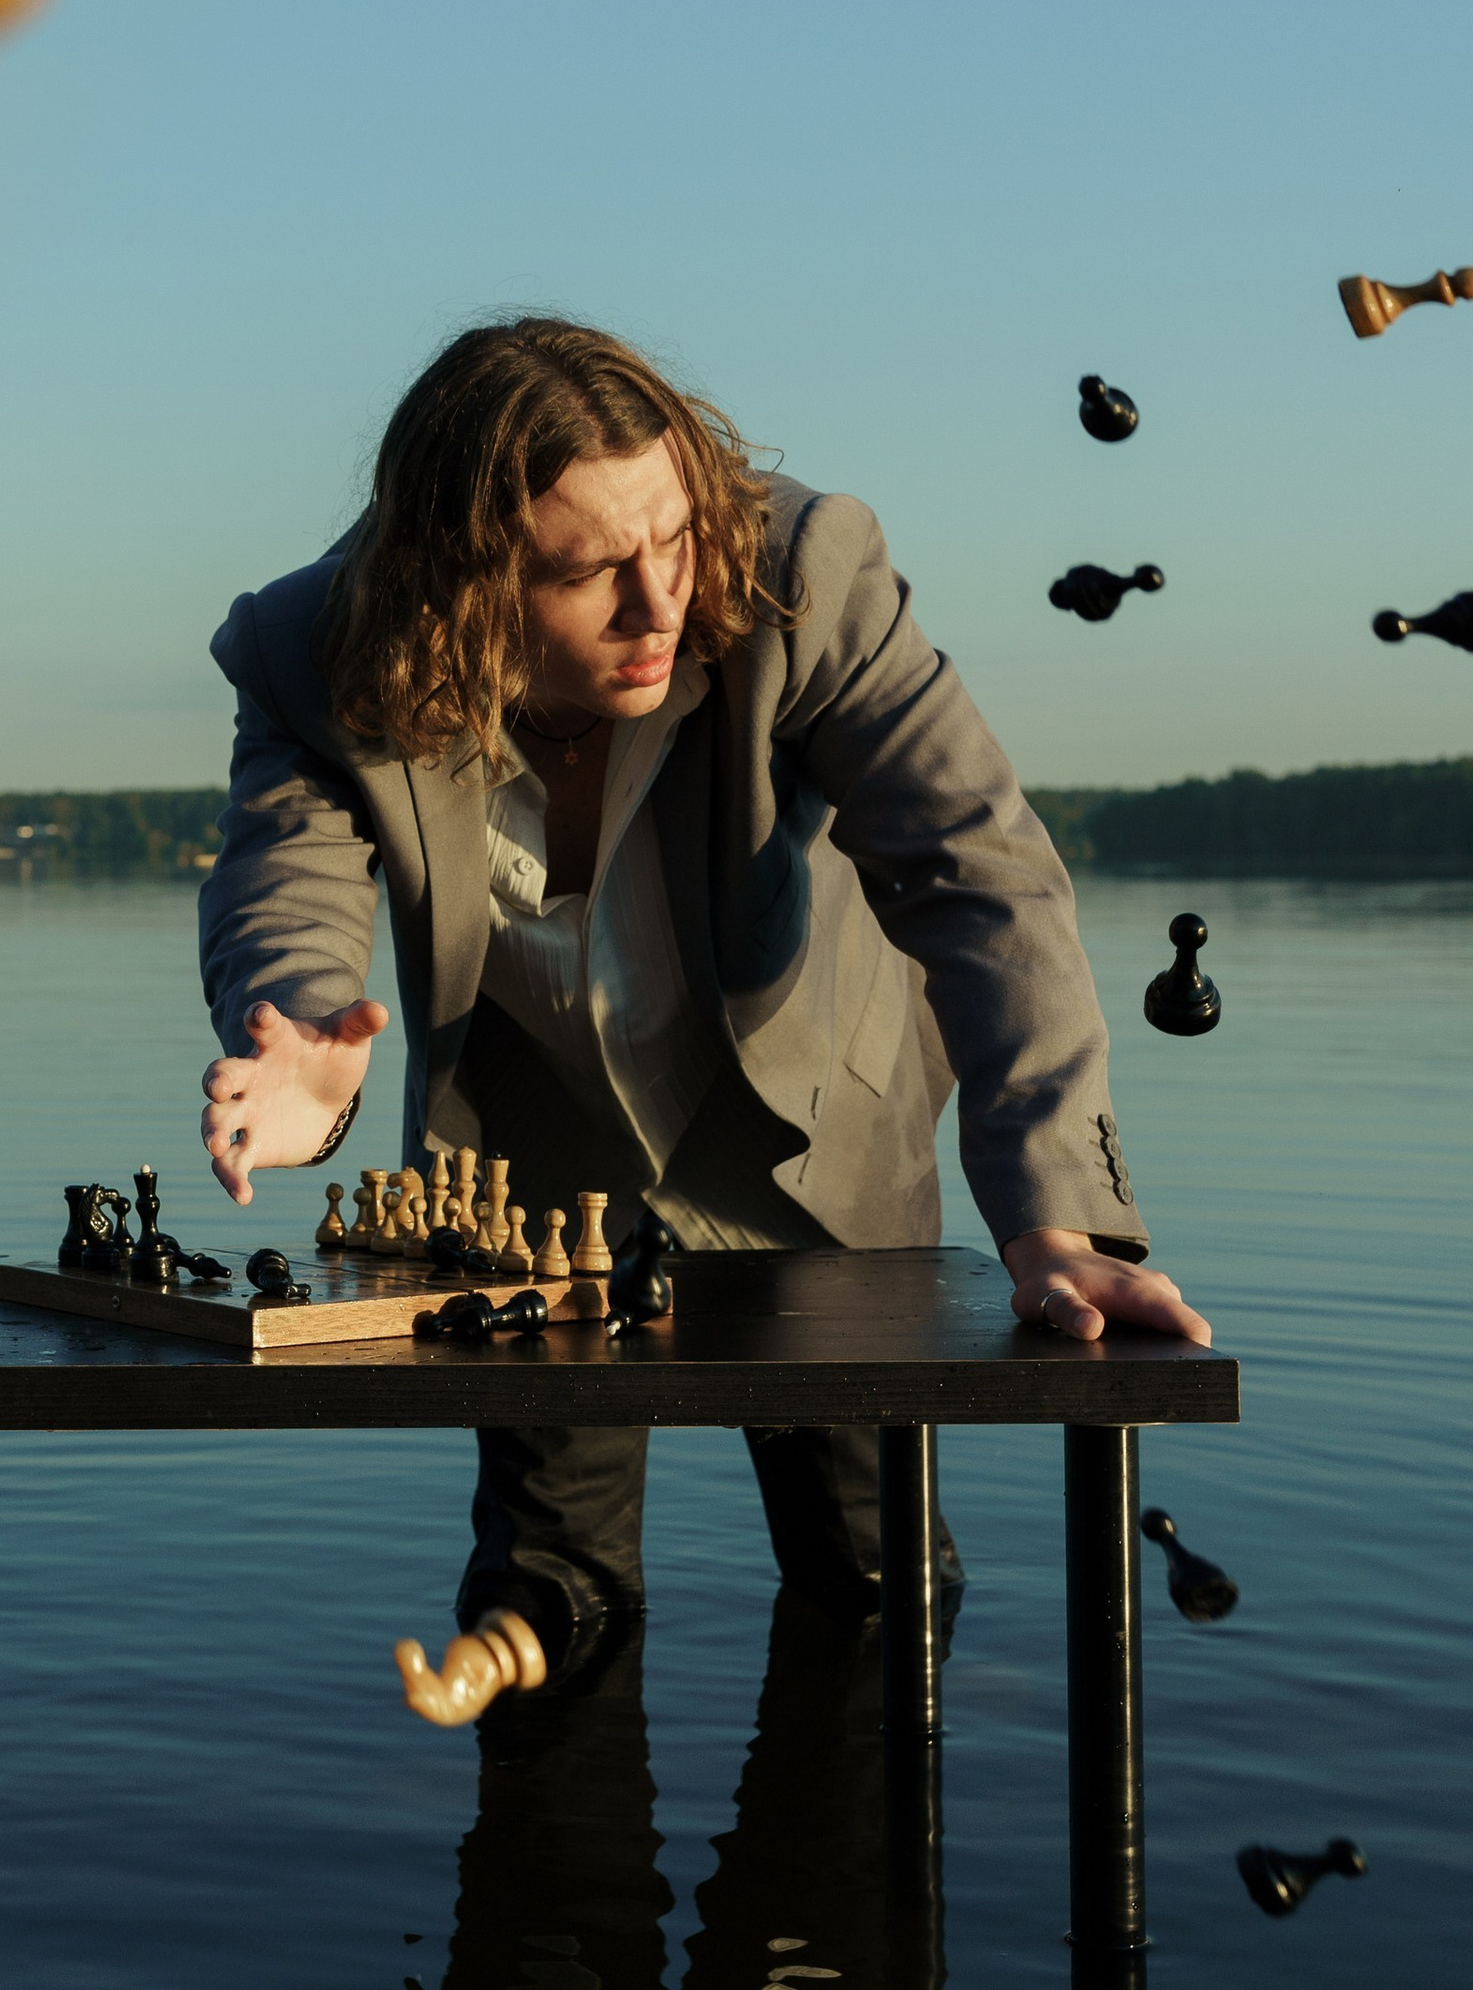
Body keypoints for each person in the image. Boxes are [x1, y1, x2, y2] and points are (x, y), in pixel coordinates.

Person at [195, 316, 1209, 1726]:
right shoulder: (313, 650)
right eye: (586, 570)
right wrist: (301, 1029)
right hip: (543, 1182)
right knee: (547, 1576)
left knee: (874, 1573)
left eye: (670, 535)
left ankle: (838, 1918)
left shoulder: (805, 573)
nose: (657, 599)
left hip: (814, 1147)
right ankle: (546, 1919)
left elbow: (981, 875)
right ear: (461, 583)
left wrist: (1056, 1218)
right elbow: (287, 882)